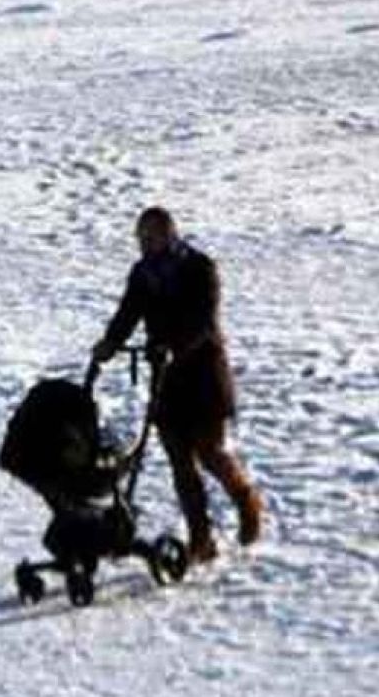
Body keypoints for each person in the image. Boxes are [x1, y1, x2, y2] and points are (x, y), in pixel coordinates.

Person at [91, 206, 263, 563]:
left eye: (151, 237)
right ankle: (201, 538)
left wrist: (173, 346)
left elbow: (204, 322)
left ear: (169, 235)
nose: (144, 244)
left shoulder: (200, 269)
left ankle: (247, 501)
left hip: (203, 376)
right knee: (179, 462)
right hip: (166, 379)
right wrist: (109, 343)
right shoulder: (142, 274)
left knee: (211, 453)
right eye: (140, 238)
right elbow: (128, 312)